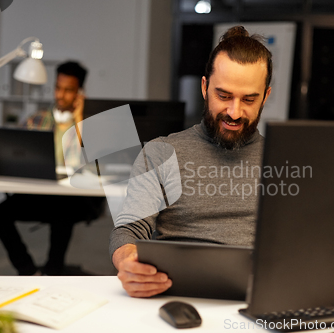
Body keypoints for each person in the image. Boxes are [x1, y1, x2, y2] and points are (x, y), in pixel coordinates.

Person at [109, 26, 273, 297]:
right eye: (223, 96)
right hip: (174, 294)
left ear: (265, 97)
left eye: (249, 99)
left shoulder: (282, 159)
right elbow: (130, 228)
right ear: (205, 87)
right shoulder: (160, 152)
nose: (234, 111)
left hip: (257, 297)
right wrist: (128, 260)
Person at [0, 61, 104, 276]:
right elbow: (16, 152)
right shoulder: (37, 120)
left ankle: (53, 271)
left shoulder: (90, 125)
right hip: (41, 193)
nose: (60, 95)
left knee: (62, 211)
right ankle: (28, 270)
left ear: (80, 93)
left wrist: (79, 119)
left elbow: (89, 164)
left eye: (68, 90)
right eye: (58, 88)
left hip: (76, 198)